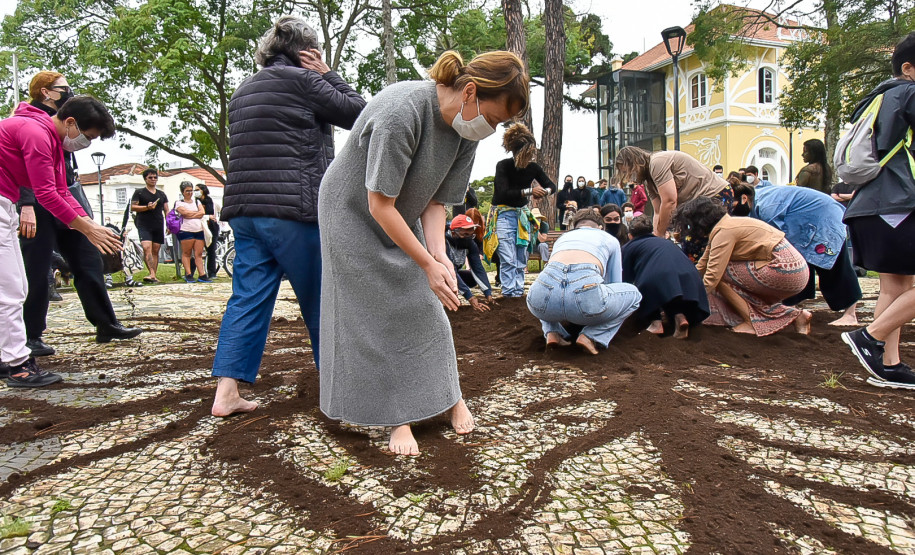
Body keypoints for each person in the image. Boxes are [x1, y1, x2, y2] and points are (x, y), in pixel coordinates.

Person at [319, 49, 529, 456]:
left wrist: (439, 257)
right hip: (351, 213)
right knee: (376, 311)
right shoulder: (402, 111)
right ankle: (396, 417)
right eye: (496, 117)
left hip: (403, 210)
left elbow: (436, 202)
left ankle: (451, 397)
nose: (495, 128)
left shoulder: (467, 132)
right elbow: (379, 205)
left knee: (427, 304)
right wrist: (426, 264)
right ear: (470, 92)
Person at [210, 15, 366, 417]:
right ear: (307, 52)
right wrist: (330, 74)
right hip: (292, 212)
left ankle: (226, 392)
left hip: (245, 211)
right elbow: (361, 116)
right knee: (321, 298)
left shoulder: (243, 89)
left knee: (246, 299)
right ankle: (340, 390)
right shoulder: (305, 81)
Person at [16, 72, 142, 356]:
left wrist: (87, 224)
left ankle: (105, 322)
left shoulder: (61, 128)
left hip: (63, 191)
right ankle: (29, 335)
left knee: (88, 256)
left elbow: (59, 185)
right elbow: (32, 180)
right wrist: (26, 204)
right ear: (46, 93)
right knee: (36, 265)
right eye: (63, 88)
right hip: (33, 198)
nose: (69, 92)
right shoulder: (35, 128)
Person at [0, 94, 122, 387]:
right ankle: (17, 365)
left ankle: (10, 357)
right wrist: (86, 230)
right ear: (70, 122)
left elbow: (62, 189)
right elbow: (45, 194)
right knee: (11, 290)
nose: (86, 143)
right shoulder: (37, 134)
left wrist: (90, 224)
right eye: (87, 136)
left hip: (6, 203)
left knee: (14, 288)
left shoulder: (49, 138)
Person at [840, 32, 915, 388]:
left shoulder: (875, 99)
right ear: (908, 68)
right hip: (899, 203)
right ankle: (870, 337)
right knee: (899, 285)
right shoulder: (910, 94)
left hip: (869, 207)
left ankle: (888, 364)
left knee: (896, 286)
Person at [673, 197, 812, 336]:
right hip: (795, 268)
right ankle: (796, 315)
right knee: (730, 280)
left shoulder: (724, 232)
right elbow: (703, 264)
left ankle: (751, 322)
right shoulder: (726, 226)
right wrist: (682, 285)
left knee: (722, 274)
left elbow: (712, 276)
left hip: (785, 269)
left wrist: (687, 302)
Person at [732, 183, 862, 326]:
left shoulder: (766, 205)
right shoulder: (756, 200)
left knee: (835, 267)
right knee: (798, 265)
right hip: (803, 225)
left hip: (826, 218)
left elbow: (774, 241)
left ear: (744, 198)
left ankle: (850, 315)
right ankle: (792, 308)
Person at [526, 209, 641, 354]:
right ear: (600, 227)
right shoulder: (609, 239)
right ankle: (592, 335)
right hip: (584, 297)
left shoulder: (563, 238)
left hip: (541, 300)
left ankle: (552, 332)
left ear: (575, 226)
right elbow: (615, 282)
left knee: (544, 287)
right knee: (635, 295)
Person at [615, 146, 732, 247]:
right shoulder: (649, 181)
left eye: (628, 172)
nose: (629, 177)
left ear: (635, 163)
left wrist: (660, 234)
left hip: (715, 195)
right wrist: (657, 237)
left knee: (699, 243)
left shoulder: (657, 163)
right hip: (700, 202)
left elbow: (670, 201)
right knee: (692, 244)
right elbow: (658, 211)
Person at [490, 122, 555, 297]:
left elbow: (552, 186)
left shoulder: (533, 168)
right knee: (507, 256)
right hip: (504, 215)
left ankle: (517, 291)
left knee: (521, 255)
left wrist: (544, 192)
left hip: (521, 217)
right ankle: (509, 291)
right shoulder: (503, 166)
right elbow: (502, 193)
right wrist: (529, 191)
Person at [622, 215, 709, 339]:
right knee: (670, 292)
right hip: (691, 276)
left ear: (630, 235)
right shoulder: (666, 242)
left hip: (656, 276)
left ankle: (655, 323)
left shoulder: (629, 247)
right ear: (651, 232)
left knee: (648, 288)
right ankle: (680, 317)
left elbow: (626, 278)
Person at [446, 215, 494, 311]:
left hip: (452, 272)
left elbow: (478, 268)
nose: (467, 238)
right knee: (448, 276)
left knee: (471, 278)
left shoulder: (470, 243)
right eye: (465, 234)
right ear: (453, 233)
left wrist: (488, 293)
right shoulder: (443, 242)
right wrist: (469, 297)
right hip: (436, 275)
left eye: (470, 235)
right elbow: (450, 270)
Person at [131, 168, 168, 283]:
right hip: (143, 223)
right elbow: (132, 207)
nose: (153, 179)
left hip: (158, 223)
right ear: (145, 179)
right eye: (150, 177)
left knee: (156, 250)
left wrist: (170, 224)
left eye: (155, 177)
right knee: (147, 248)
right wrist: (147, 207)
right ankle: (151, 273)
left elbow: (166, 210)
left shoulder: (161, 194)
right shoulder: (139, 192)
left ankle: (153, 275)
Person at [173, 182, 209, 283]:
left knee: (199, 253)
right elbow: (184, 213)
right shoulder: (179, 203)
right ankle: (188, 273)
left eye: (191, 190)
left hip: (198, 229)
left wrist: (191, 214)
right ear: (183, 192)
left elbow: (202, 213)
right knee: (187, 253)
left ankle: (202, 274)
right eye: (187, 191)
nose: (189, 193)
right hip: (186, 230)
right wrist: (195, 214)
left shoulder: (197, 202)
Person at [195, 183, 220, 279]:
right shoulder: (195, 201)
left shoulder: (209, 200)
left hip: (211, 227)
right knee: (197, 251)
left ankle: (212, 272)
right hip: (198, 226)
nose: (195, 192)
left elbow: (210, 215)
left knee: (211, 250)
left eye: (197, 190)